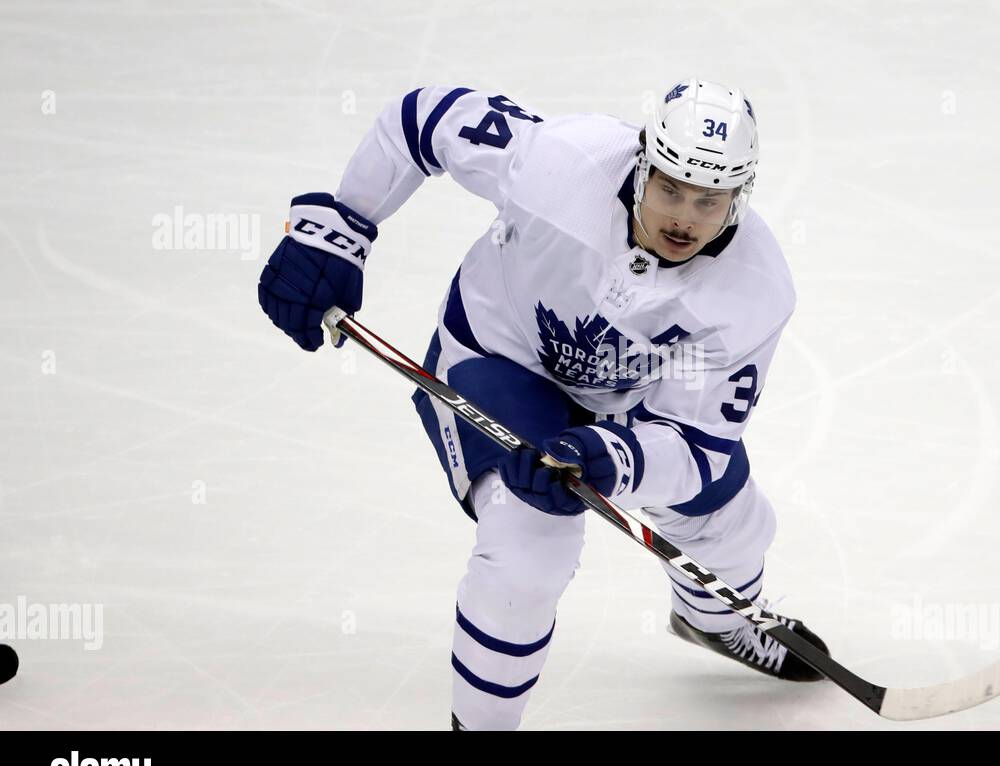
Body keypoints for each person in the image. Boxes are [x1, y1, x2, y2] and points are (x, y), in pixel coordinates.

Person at [258, 78, 829, 730]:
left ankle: (721, 620)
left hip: (627, 404)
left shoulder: (750, 292)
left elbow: (695, 447)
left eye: (709, 200)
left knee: (731, 518)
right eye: (670, 187)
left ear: (739, 198)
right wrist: (343, 223)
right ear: (643, 162)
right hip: (497, 361)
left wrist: (610, 456)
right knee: (531, 544)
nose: (683, 217)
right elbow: (420, 119)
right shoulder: (561, 163)